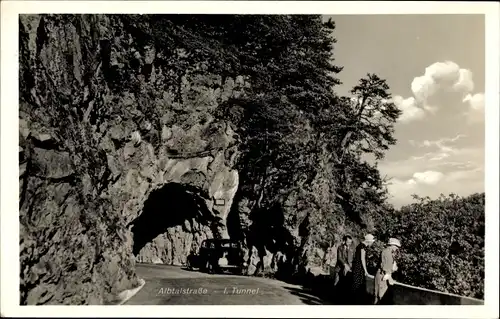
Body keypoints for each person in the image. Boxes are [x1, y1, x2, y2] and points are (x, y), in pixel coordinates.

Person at [350, 234, 376, 304]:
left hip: (357, 267)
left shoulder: (360, 245)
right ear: (369, 241)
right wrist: (366, 271)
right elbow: (362, 259)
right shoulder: (363, 246)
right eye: (372, 242)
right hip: (359, 268)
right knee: (357, 285)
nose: (372, 243)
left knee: (356, 284)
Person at [374, 238, 401, 305]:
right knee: (381, 296)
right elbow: (386, 268)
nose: (396, 249)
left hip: (381, 275)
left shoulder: (386, 251)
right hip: (382, 276)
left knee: (377, 296)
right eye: (396, 246)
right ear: (392, 245)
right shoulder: (388, 253)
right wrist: (390, 279)